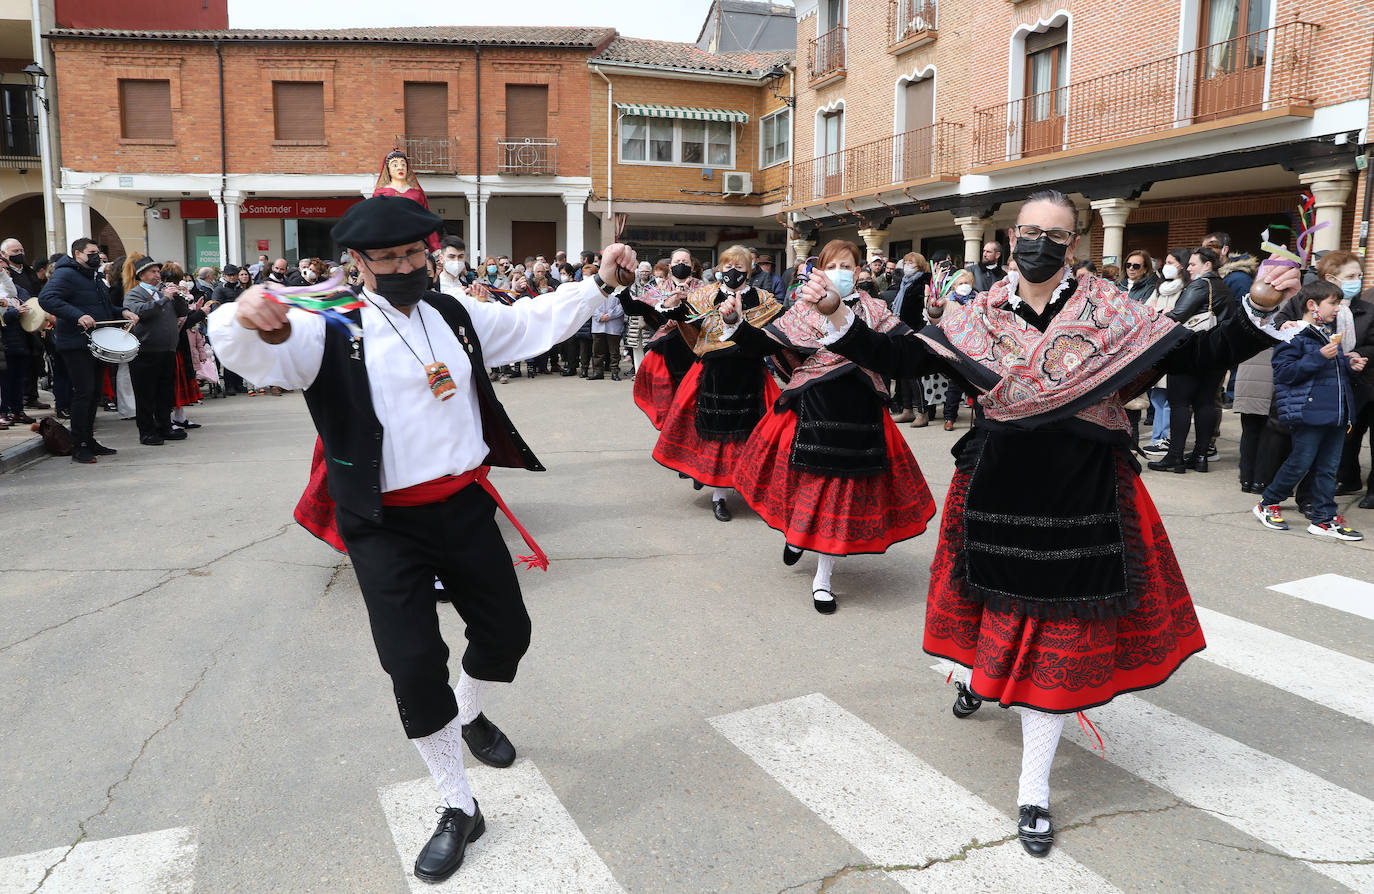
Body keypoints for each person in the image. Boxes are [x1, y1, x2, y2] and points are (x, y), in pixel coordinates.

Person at [796, 188, 1296, 857]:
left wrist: (1259, 304)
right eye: (1028, 230)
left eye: (1054, 235)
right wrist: (837, 317)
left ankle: (1032, 791)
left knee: (1060, 642)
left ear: (1075, 244)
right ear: (1011, 235)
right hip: (998, 483)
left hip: (1085, 489)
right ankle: (979, 676)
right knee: (991, 612)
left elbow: (1198, 359)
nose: (1037, 244)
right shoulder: (977, 315)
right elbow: (902, 359)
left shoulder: (1114, 313)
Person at [209, 196, 637, 883]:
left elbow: (531, 321)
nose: (409, 266)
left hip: (465, 507)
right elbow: (256, 351)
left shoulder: (452, 313)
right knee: (413, 663)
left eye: (418, 254)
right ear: (357, 262)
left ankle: (469, 714)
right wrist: (242, 315)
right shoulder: (331, 327)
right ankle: (457, 803)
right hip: (383, 524)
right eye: (391, 257)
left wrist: (600, 283)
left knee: (506, 635)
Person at [728, 239, 937, 613]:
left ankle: (822, 578)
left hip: (861, 412)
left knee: (840, 498)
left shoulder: (875, 310)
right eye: (833, 265)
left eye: (848, 266)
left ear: (858, 272)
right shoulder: (802, 310)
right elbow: (765, 342)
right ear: (818, 271)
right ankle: (797, 536)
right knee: (808, 486)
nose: (841, 272)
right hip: (813, 408)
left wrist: (934, 318)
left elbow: (908, 347)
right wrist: (734, 323)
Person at [650, 244, 783, 521]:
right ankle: (719, 494)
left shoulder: (764, 298)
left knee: (756, 433)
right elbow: (687, 319)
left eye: (739, 267)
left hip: (751, 373)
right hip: (715, 372)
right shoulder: (706, 294)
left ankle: (750, 485)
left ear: (750, 269)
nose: (733, 271)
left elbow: (780, 330)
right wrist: (670, 306)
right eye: (727, 266)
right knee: (715, 436)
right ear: (720, 268)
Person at [1253, 280, 1365, 540]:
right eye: (1333, 303)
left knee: (1328, 467)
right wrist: (1319, 357)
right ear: (1312, 305)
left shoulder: (1326, 333)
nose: (1338, 308)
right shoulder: (1293, 334)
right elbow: (1284, 373)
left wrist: (1349, 364)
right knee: (1300, 462)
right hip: (1310, 411)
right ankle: (1267, 502)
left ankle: (1323, 518)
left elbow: (1329, 373)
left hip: (1335, 412)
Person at [38, 238, 129, 463]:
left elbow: (103, 307)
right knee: (84, 392)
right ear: (78, 254)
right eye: (91, 252)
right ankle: (79, 445)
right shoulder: (65, 274)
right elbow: (46, 299)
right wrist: (77, 315)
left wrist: (123, 311)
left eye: (97, 252)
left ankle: (89, 440)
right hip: (75, 343)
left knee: (94, 393)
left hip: (96, 342)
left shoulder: (93, 277)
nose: (96, 256)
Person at [1147, 246, 1233, 473]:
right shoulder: (1224, 287)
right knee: (1205, 403)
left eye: (1193, 264)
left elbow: (1178, 315)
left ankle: (1175, 455)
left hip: (1191, 351)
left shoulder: (1199, 285)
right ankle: (1201, 456)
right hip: (1217, 353)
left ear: (1208, 265)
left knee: (1179, 403)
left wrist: (1154, 318)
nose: (1188, 268)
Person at [620, 248, 703, 430]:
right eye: (677, 262)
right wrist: (622, 289)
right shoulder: (659, 288)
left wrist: (689, 300)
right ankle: (673, 429)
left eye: (686, 262)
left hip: (696, 348)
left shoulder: (704, 288)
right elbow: (636, 308)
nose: (681, 265)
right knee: (669, 396)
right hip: (667, 348)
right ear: (670, 266)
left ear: (693, 266)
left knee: (694, 395)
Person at [122, 256, 184, 446]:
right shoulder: (134, 293)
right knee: (146, 394)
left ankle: (165, 426)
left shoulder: (163, 292)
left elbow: (182, 312)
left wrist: (179, 295)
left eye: (158, 272)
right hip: (146, 351)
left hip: (167, 350)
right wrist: (165, 298)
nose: (158, 275)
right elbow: (142, 312)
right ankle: (147, 431)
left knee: (165, 393)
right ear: (142, 275)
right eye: (153, 272)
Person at [1140, 250, 1187, 456]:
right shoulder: (1159, 288)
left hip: (1175, 347)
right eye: (1166, 261)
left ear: (1182, 266)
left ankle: (1165, 438)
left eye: (1171, 262)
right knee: (1158, 396)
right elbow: (1147, 309)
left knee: (1171, 397)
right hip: (1157, 346)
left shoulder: (1187, 289)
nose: (1166, 265)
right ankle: (1157, 436)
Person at [890, 252, 932, 426]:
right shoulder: (904, 284)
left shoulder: (923, 283)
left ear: (920, 265)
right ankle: (907, 409)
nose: (907, 265)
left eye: (911, 263)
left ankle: (922, 412)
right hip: (900, 330)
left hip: (914, 331)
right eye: (905, 262)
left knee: (914, 373)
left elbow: (922, 309)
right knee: (903, 373)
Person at [373, 149, 441, 251]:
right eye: (395, 165)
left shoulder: (417, 194)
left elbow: (426, 220)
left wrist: (435, 248)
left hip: (415, 242)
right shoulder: (381, 194)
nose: (400, 167)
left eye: (403, 164)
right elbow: (376, 222)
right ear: (388, 169)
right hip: (390, 242)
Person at [939, 269, 976, 431]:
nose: (964, 286)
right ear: (954, 286)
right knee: (955, 384)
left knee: (976, 384)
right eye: (961, 283)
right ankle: (949, 417)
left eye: (967, 283)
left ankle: (980, 418)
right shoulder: (947, 301)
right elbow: (936, 318)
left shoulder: (978, 299)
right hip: (955, 346)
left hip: (974, 346)